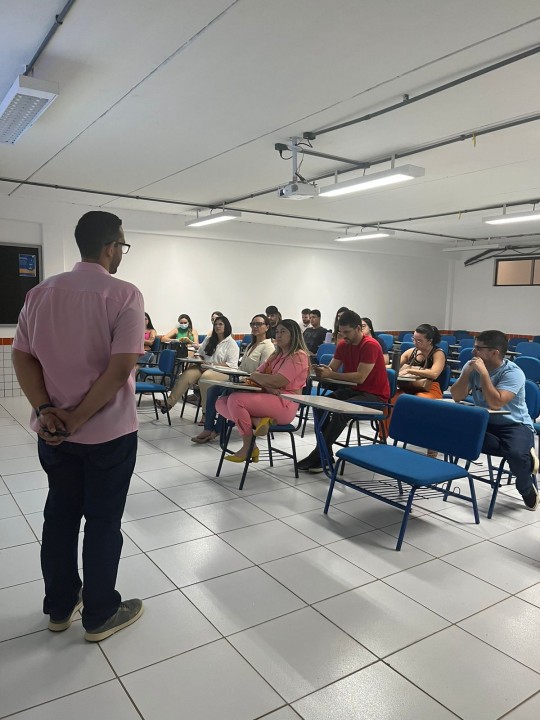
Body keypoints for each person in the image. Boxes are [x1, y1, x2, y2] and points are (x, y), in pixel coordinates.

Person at [11, 211, 144, 642]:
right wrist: (78, 419)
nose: (121, 254)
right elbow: (121, 365)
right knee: (103, 522)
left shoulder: (39, 293)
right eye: (121, 246)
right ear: (110, 247)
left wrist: (49, 411)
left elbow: (22, 356)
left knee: (60, 517)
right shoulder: (124, 294)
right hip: (108, 435)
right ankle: (100, 613)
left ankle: (60, 606)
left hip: (54, 436)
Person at [451, 329, 539, 511]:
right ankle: (523, 457)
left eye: (478, 348)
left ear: (494, 352)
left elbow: (495, 403)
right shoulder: (472, 366)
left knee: (514, 454)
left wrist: (483, 375)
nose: (473, 351)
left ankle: (526, 487)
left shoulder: (513, 373)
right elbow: (457, 396)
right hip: (486, 421)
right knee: (459, 437)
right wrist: (467, 373)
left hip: (514, 424)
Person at [298, 309, 390, 473]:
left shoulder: (370, 345)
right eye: (341, 332)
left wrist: (332, 374)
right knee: (319, 405)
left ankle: (319, 455)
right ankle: (325, 455)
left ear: (358, 329)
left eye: (347, 332)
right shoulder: (343, 344)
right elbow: (332, 368)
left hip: (375, 397)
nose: (344, 336)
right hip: (355, 390)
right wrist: (322, 370)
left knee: (340, 411)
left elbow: (360, 377)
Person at [215, 319, 309, 461]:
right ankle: (257, 421)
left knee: (236, 399)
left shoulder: (298, 356)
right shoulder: (276, 354)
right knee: (221, 402)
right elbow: (255, 375)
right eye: (277, 332)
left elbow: (278, 380)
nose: (278, 335)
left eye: (283, 332)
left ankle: (248, 447)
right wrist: (267, 384)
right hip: (270, 398)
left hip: (286, 403)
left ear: (294, 335)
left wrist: (264, 380)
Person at [192, 314, 274, 443]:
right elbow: (240, 367)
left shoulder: (268, 347)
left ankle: (216, 431)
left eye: (259, 324)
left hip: (253, 385)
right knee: (213, 390)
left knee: (228, 395)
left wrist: (243, 380)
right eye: (253, 324)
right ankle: (208, 428)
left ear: (267, 327)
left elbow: (263, 372)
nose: (255, 327)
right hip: (240, 380)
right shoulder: (251, 345)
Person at [384, 323, 446, 455]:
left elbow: (434, 373)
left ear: (430, 341)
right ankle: (384, 437)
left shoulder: (438, 353)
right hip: (409, 387)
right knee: (391, 400)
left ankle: (431, 447)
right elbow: (393, 367)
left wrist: (410, 369)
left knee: (421, 402)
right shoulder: (410, 352)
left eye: (419, 340)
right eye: (414, 339)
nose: (415, 343)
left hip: (430, 389)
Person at [158, 315, 239, 414]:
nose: (217, 326)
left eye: (220, 324)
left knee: (205, 379)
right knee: (186, 375)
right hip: (204, 366)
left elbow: (231, 364)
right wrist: (200, 361)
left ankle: (206, 414)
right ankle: (168, 403)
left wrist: (211, 365)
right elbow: (199, 354)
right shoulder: (209, 339)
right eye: (216, 324)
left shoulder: (231, 343)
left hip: (221, 371)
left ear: (227, 326)